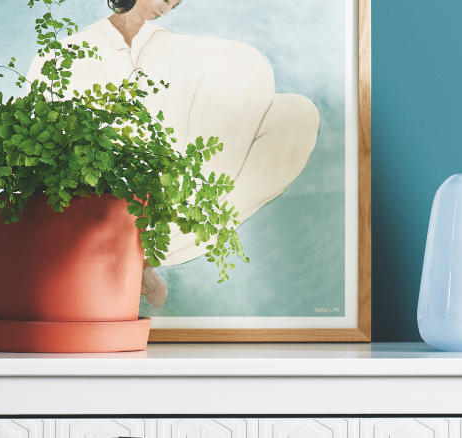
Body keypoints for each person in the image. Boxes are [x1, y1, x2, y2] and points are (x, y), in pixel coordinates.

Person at [28, 0, 320, 306]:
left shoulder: (171, 48)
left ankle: (145, 251)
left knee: (296, 114)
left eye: (176, 1)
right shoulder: (69, 53)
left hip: (166, 196)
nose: (169, 5)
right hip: (105, 200)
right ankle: (138, 250)